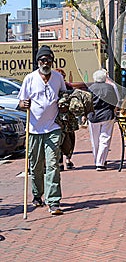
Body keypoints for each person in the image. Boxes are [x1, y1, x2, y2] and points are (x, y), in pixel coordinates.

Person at [18, 45, 66, 215]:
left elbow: (64, 95)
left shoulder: (58, 77)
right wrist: (23, 105)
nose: (45, 63)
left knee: (53, 164)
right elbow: (20, 103)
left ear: (52, 61)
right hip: (34, 128)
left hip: (53, 127)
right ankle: (38, 194)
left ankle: (53, 201)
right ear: (37, 62)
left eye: (48, 60)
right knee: (36, 166)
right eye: (42, 60)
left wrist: (64, 104)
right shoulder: (29, 79)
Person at [86, 69, 118, 171]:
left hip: (93, 116)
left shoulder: (90, 88)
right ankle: (100, 162)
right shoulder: (110, 87)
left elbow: (87, 102)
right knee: (105, 138)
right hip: (107, 115)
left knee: (94, 140)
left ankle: (98, 160)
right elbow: (115, 101)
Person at [55, 68, 75, 171]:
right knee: (60, 140)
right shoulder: (54, 87)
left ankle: (66, 159)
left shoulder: (68, 87)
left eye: (63, 77)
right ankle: (61, 161)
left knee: (69, 139)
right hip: (59, 119)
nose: (62, 79)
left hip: (68, 118)